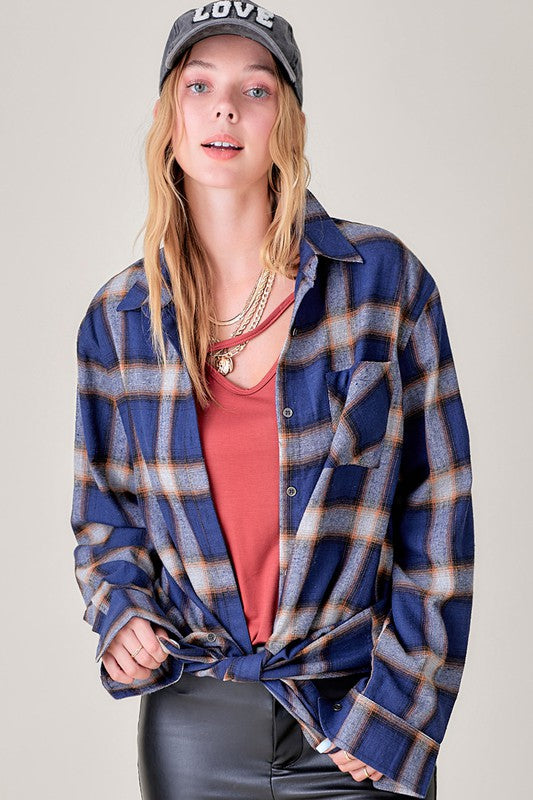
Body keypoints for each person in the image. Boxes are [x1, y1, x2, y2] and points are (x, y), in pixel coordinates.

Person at [70, 5, 474, 799]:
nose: (224, 108)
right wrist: (122, 615)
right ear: (167, 117)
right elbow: (104, 514)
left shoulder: (382, 284)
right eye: (199, 86)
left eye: (254, 90)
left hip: (351, 711)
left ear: (288, 123)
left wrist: (398, 710)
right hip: (194, 723)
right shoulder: (119, 321)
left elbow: (438, 510)